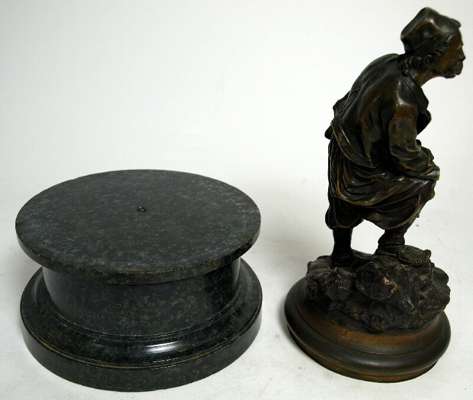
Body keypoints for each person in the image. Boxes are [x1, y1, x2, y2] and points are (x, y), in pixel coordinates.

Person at [325, 8, 465, 264]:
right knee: (423, 181)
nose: (462, 57)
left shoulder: (388, 62)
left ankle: (341, 252)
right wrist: (429, 167)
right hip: (360, 165)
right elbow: (404, 154)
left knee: (343, 208)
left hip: (346, 147)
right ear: (432, 57)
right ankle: (391, 244)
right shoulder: (403, 101)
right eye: (456, 51)